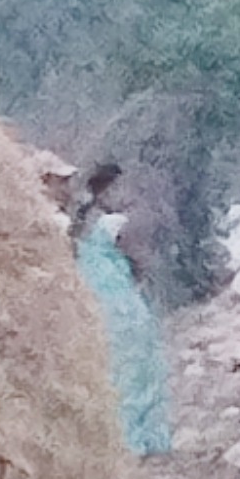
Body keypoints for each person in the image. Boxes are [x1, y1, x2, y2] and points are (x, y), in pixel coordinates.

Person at [72, 160, 175, 456]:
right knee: (141, 369)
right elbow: (140, 256)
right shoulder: (113, 224)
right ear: (110, 189)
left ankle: (118, 440)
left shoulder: (81, 225)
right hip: (122, 303)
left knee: (115, 371)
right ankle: (142, 439)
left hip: (96, 303)